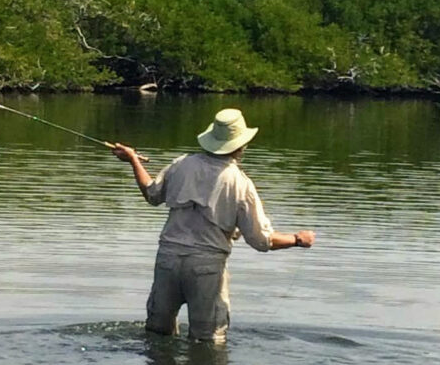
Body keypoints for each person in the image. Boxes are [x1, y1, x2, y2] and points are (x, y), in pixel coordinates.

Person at [112, 107, 315, 342]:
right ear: (241, 146)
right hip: (206, 269)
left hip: (168, 260)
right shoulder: (240, 183)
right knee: (208, 342)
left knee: (157, 335)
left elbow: (151, 195)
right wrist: (298, 239)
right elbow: (262, 241)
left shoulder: (181, 164)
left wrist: (133, 160)